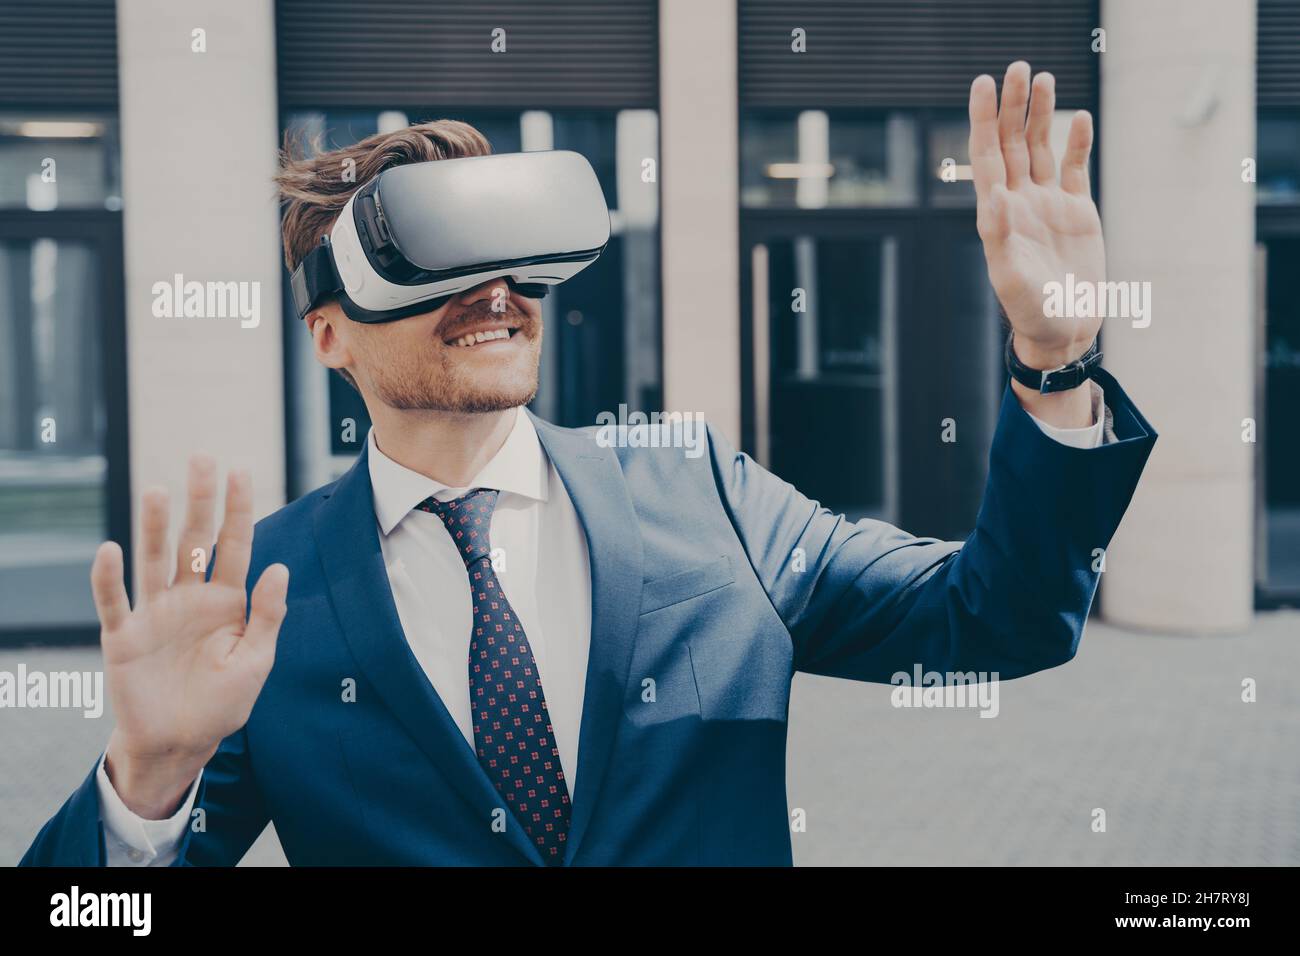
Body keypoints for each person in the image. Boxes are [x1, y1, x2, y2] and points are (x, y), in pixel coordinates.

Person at [23, 63, 1155, 866]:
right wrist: (144, 785)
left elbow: (999, 618)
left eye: (511, 256)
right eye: (432, 260)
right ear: (330, 334)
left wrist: (1054, 362)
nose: (494, 290)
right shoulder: (264, 600)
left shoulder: (697, 487)